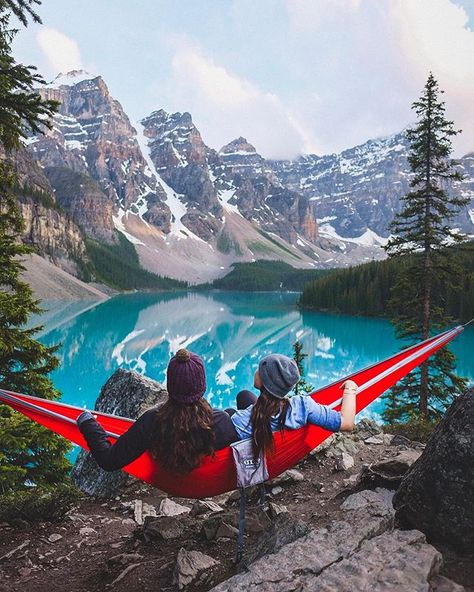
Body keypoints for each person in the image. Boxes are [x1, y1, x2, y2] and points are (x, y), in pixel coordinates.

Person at [76, 349, 239, 474]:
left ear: (171, 385)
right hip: (206, 482)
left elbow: (108, 461)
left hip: (171, 480)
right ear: (201, 385)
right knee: (231, 412)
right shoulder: (220, 421)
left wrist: (88, 423)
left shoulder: (152, 421)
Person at [229, 354, 357, 460]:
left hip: (250, 440)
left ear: (264, 381)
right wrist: (350, 388)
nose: (256, 372)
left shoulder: (239, 421)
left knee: (228, 412)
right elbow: (347, 423)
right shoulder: (302, 406)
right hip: (270, 434)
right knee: (244, 395)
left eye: (259, 370)